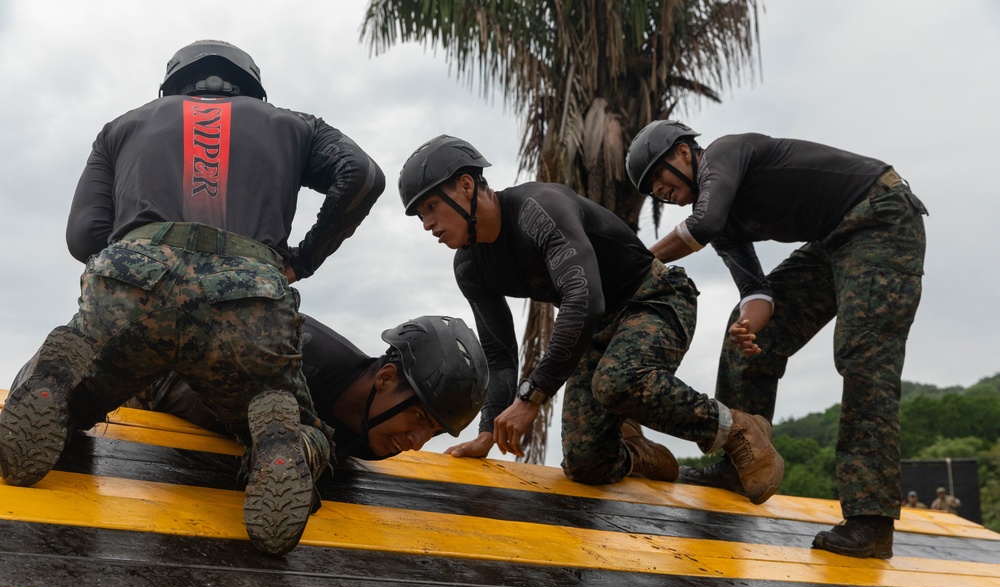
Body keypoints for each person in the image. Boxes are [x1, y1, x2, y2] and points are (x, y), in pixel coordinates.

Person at [0, 40, 385, 556]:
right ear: (250, 83)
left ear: (174, 82)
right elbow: (362, 176)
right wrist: (303, 258)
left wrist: (135, 269)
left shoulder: (124, 125)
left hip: (134, 279)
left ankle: (53, 381)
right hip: (247, 296)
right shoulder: (295, 125)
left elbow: (82, 236)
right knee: (295, 423)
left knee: (73, 401)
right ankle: (280, 439)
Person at [396, 135, 785, 504]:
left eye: (431, 206)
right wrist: (487, 431)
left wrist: (532, 396)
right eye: (420, 215)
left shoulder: (540, 208)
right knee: (585, 464)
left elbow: (584, 299)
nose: (427, 223)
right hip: (596, 328)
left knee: (616, 382)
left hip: (653, 296)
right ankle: (638, 452)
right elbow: (500, 355)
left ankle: (737, 429)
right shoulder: (469, 267)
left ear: (466, 185)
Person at [626, 120, 927, 559]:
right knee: (740, 337)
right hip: (833, 239)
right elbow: (757, 292)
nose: (660, 191)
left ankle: (871, 521)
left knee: (864, 360)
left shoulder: (727, 152)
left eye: (658, 175)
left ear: (685, 154)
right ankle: (738, 462)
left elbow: (703, 221)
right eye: (651, 189)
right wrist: (750, 326)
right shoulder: (723, 224)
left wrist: (636, 263)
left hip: (881, 215)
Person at [127, 314, 489, 465]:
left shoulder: (379, 438)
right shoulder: (298, 352)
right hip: (146, 390)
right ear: (386, 377)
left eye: (435, 432)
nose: (417, 441)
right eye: (420, 417)